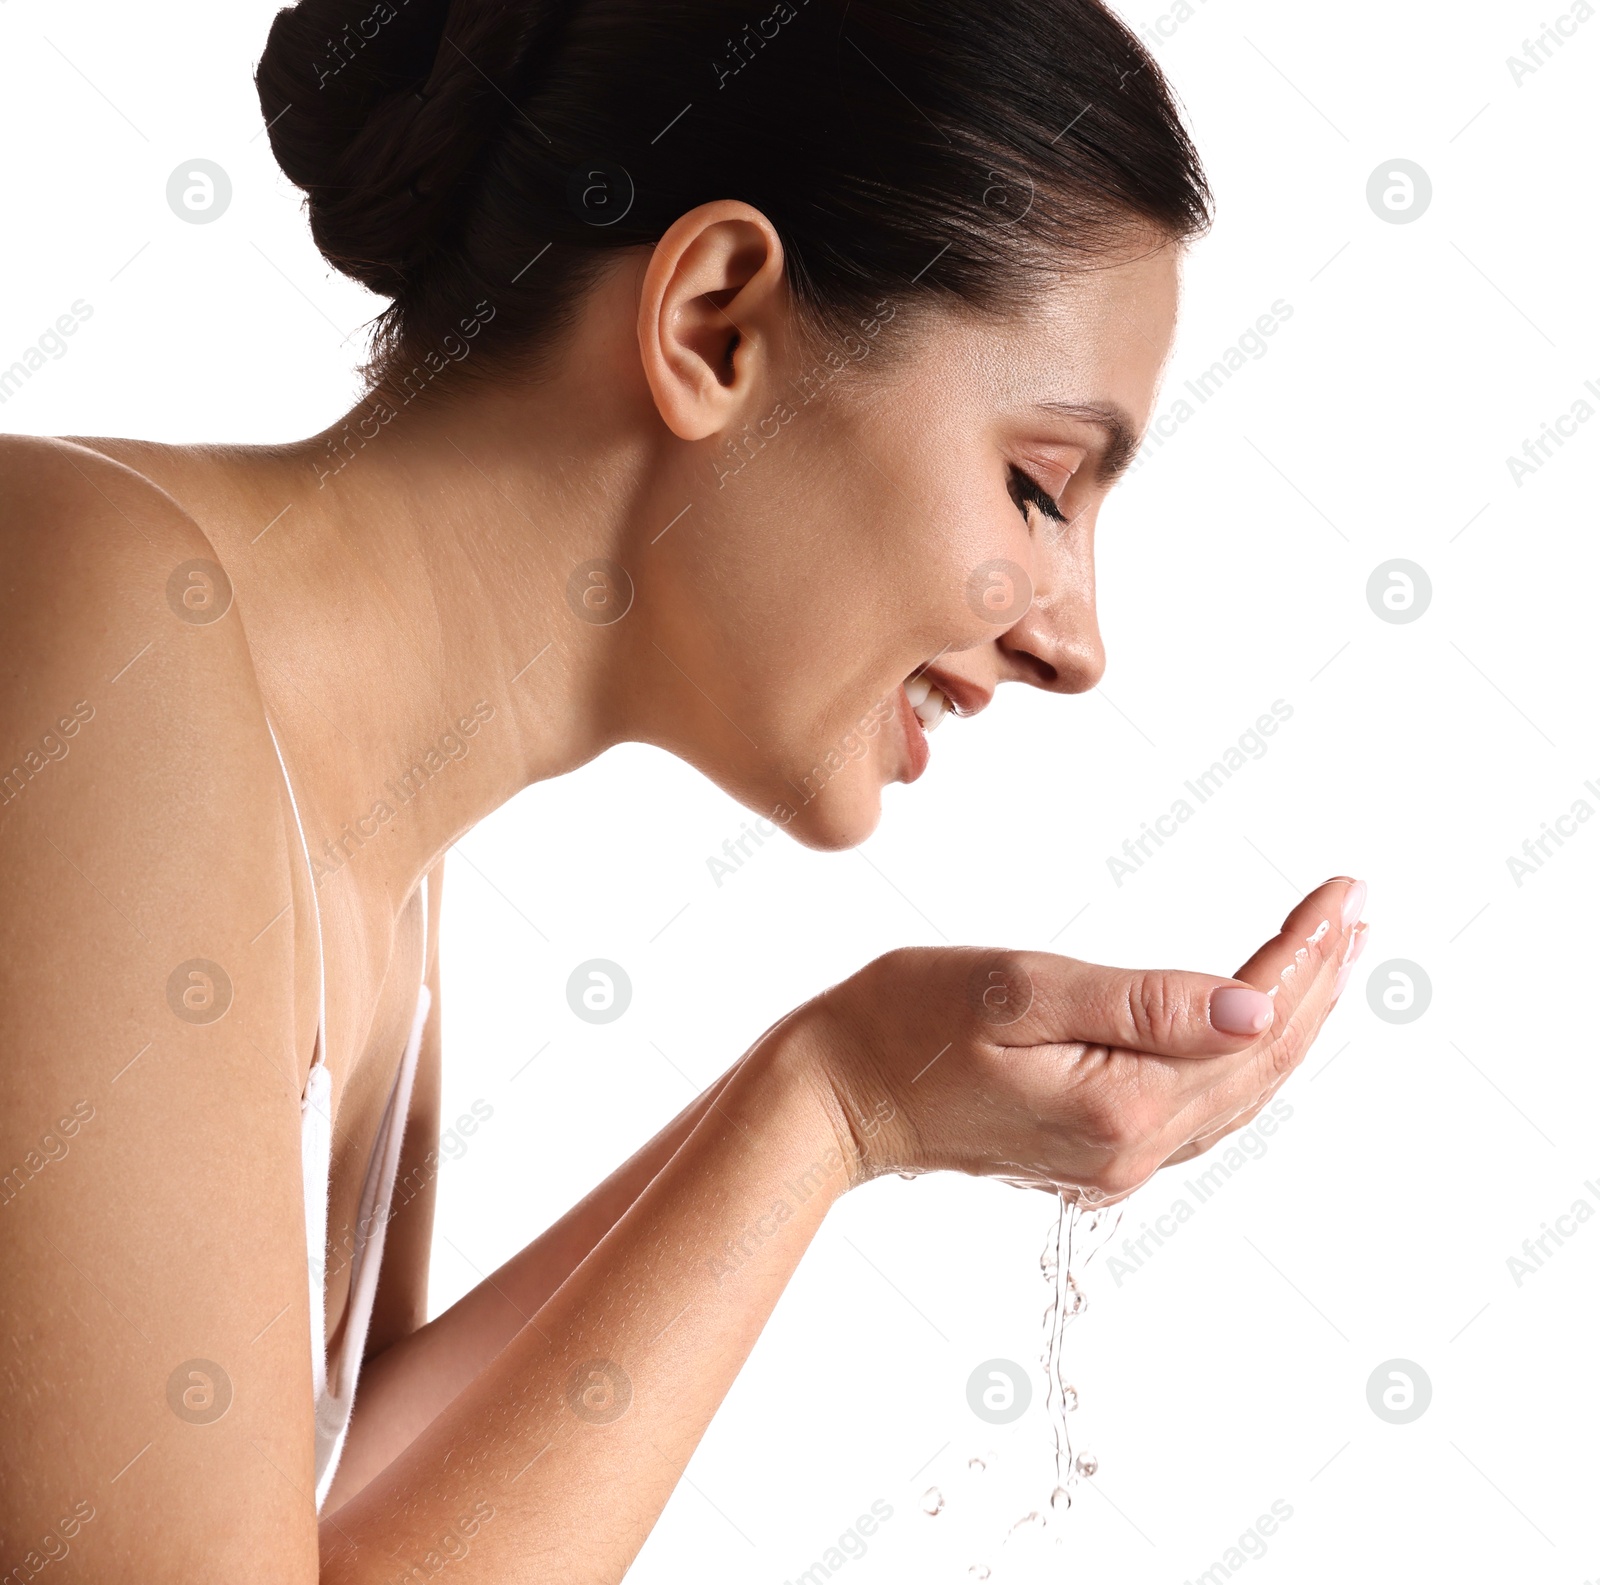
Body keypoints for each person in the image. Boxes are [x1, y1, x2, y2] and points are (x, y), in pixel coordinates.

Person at [0, 0, 1368, 1577]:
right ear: (715, 322)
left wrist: (857, 1082)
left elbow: (328, 1522)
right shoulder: (100, 611)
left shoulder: (374, 869)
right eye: (1038, 486)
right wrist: (828, 1109)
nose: (1077, 641)